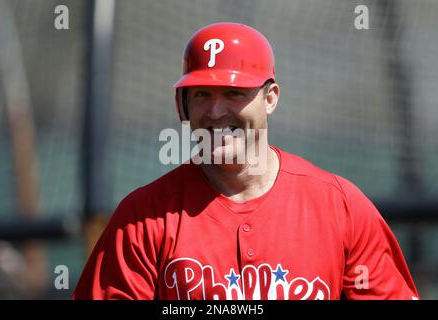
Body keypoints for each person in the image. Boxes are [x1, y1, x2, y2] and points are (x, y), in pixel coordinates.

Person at [73, 22, 419, 300]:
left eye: (234, 93)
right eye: (202, 95)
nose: (216, 111)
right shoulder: (144, 218)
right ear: (183, 105)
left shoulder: (340, 206)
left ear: (270, 99)